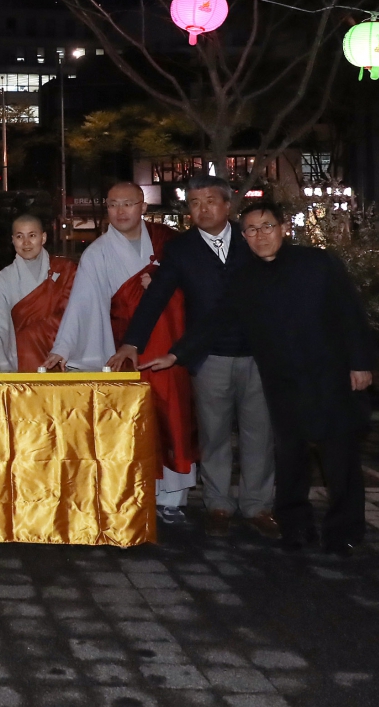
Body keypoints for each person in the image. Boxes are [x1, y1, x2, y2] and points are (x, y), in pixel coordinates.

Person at [139, 200, 376, 554]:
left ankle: (344, 532)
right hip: (281, 380)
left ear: (283, 228)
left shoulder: (318, 263)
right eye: (250, 229)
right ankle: (296, 528)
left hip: (330, 376)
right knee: (290, 462)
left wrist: (360, 363)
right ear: (244, 236)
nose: (259, 235)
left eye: (266, 226)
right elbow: (217, 320)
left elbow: (350, 313)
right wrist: (176, 354)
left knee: (339, 461)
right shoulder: (245, 278)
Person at [111, 174, 278, 540]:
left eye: (210, 201)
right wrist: (132, 342)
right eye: (195, 203)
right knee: (214, 434)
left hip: (259, 353)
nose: (202, 209)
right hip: (208, 356)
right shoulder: (181, 249)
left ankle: (258, 505)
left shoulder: (252, 239)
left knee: (259, 434)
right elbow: (155, 298)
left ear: (227, 204)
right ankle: (218, 504)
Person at [49, 183, 199, 524]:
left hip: (169, 343)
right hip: (124, 348)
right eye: (113, 204)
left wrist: (164, 282)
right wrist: (63, 348)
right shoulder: (98, 253)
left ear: (142, 206)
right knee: (136, 421)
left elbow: (196, 283)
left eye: (128, 204)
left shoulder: (168, 242)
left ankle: (173, 499)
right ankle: (137, 492)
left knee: (173, 414)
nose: (121, 211)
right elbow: (82, 306)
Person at [0, 213, 76, 373]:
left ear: (43, 238)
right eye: (19, 236)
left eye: (32, 235)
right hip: (24, 355)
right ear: (13, 240)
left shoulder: (65, 269)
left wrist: (34, 334)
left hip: (63, 352)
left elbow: (72, 314)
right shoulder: (6, 277)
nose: (26, 242)